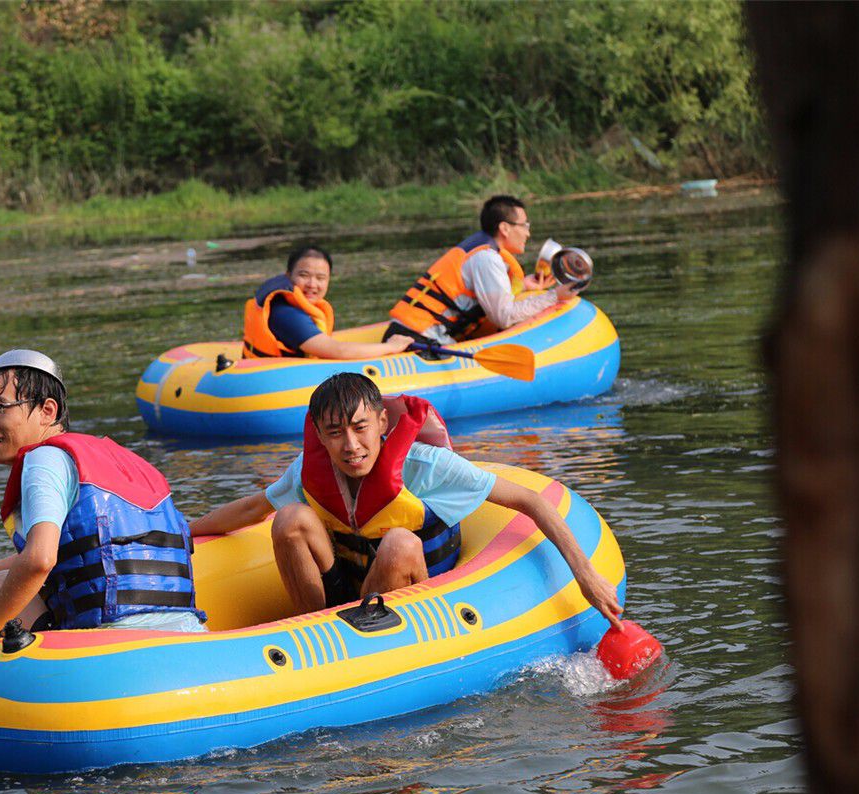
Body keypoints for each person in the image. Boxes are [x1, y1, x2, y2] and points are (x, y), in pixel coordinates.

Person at [189, 372, 623, 628]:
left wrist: (585, 577)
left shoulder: (429, 466)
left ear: (382, 423)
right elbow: (253, 509)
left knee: (399, 541)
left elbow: (531, 500)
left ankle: (361, 637)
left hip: (411, 591)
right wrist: (181, 532)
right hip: (345, 587)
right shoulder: (309, 469)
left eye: (360, 428)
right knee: (289, 519)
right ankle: (311, 631)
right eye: (335, 433)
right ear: (319, 434)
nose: (350, 445)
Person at [0, 349, 204, 640]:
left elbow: (39, 560)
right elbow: (65, 552)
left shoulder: (43, 459)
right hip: (189, 633)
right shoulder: (131, 463)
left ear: (47, 411)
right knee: (3, 579)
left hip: (110, 642)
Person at [385, 195, 575, 346]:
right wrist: (555, 296)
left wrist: (523, 286)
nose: (528, 232)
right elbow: (503, 317)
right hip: (416, 339)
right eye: (525, 225)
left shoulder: (480, 249)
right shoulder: (487, 258)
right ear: (505, 228)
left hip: (411, 331)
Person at [242, 245, 414, 359]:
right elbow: (340, 351)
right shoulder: (286, 313)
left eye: (320, 278)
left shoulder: (295, 304)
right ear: (288, 276)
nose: (312, 284)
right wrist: (390, 347)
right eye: (304, 275)